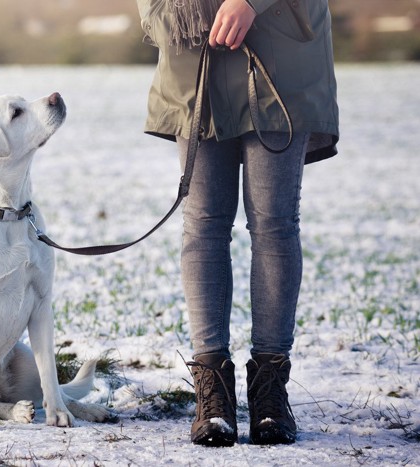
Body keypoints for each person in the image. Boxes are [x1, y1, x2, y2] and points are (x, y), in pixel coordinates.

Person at [136, 0, 339, 446]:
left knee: (274, 223)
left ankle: (269, 392)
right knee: (203, 223)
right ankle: (213, 393)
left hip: (280, 53)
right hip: (195, 58)